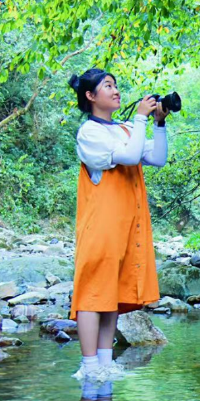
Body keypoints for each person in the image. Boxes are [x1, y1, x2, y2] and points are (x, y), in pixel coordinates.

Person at [66, 68, 170, 379]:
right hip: (99, 226)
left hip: (126, 227)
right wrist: (140, 118)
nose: (115, 91)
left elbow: (159, 157)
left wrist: (159, 123)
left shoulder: (125, 129)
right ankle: (88, 365)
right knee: (91, 293)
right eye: (107, 86)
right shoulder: (90, 133)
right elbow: (128, 156)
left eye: (115, 85)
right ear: (90, 96)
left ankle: (105, 362)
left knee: (111, 293)